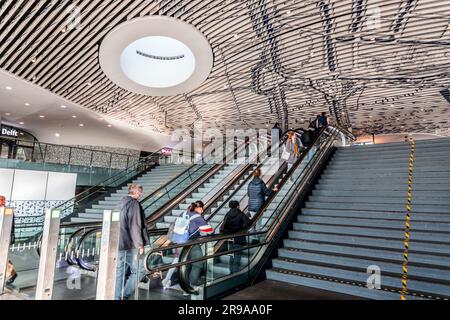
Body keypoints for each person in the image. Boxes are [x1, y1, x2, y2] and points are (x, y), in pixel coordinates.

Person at [115, 184, 149, 300]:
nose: (140, 195)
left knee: (119, 272)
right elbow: (135, 225)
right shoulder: (134, 204)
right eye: (140, 193)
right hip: (130, 244)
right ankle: (124, 296)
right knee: (140, 270)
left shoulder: (121, 203)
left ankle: (117, 297)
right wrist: (140, 244)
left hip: (118, 243)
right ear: (137, 193)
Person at [184, 201, 213, 288]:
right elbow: (209, 230)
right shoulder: (197, 217)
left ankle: (184, 285)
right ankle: (191, 287)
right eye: (203, 209)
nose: (203, 211)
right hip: (192, 243)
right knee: (198, 264)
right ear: (200, 208)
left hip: (180, 242)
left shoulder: (185, 213)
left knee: (186, 264)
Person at [220, 201, 252, 273]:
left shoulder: (227, 214)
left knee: (232, 255)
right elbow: (249, 223)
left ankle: (231, 271)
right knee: (237, 255)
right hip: (239, 237)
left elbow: (224, 226)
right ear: (237, 206)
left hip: (230, 238)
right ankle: (235, 272)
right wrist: (242, 228)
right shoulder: (240, 214)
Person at [0, 195, 17, 285]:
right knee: (2, 256)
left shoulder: (7, 211)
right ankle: (11, 273)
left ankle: (11, 273)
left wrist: (11, 236)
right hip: (3, 237)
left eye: (1, 200)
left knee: (2, 256)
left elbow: (10, 225)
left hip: (5, 237)